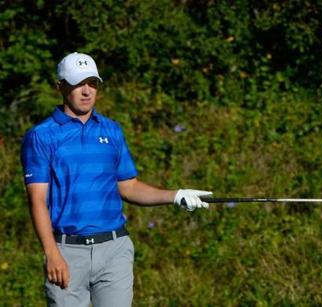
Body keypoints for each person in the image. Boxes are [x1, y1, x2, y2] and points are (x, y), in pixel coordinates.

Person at [20, 52, 212, 307]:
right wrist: (51, 253)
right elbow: (37, 200)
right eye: (78, 84)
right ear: (60, 87)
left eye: (92, 83)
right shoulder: (41, 136)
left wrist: (175, 195)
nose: (87, 91)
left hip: (114, 248)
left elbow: (128, 187)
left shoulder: (111, 130)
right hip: (67, 251)